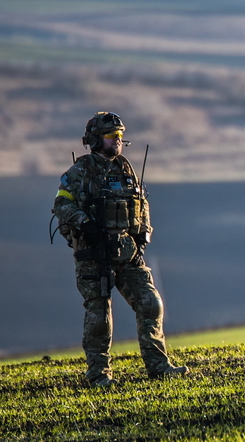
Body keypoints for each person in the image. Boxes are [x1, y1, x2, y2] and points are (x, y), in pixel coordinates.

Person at [52, 112, 189, 386]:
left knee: (151, 304)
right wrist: (85, 223)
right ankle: (98, 376)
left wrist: (142, 237)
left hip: (128, 254)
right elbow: (61, 205)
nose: (117, 141)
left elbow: (142, 204)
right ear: (94, 140)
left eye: (120, 136)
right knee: (100, 316)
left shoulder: (125, 170)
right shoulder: (80, 172)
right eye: (111, 136)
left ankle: (159, 367)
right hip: (94, 256)